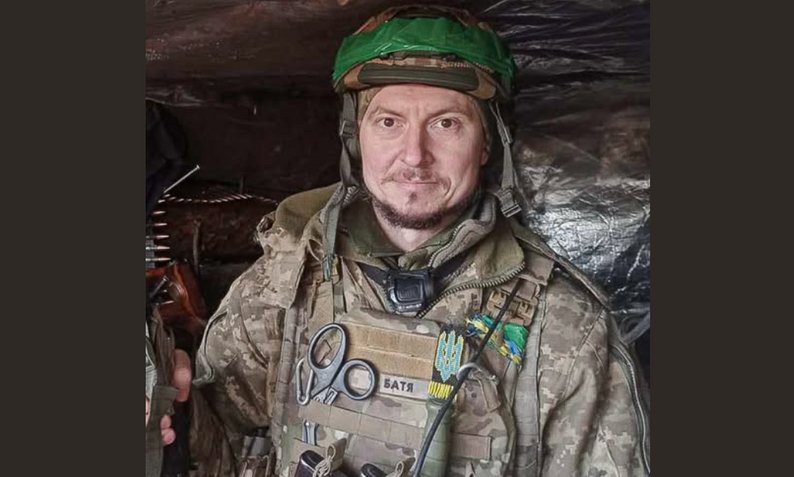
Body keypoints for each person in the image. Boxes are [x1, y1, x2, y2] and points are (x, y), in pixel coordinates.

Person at [149, 5, 650, 477]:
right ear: (355, 137)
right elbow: (223, 455)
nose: (415, 155)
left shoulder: (566, 326)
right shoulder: (282, 284)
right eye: (389, 122)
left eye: (446, 123)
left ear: (486, 145)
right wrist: (175, 418)